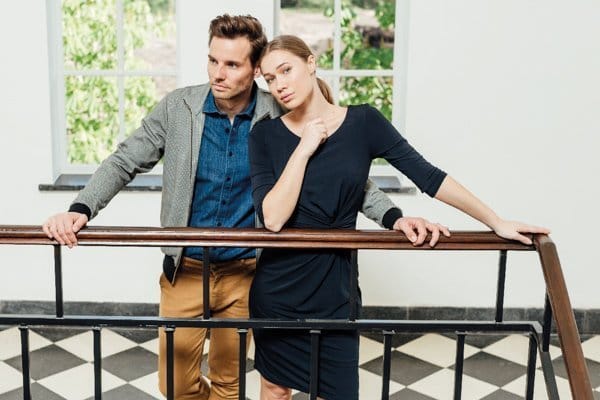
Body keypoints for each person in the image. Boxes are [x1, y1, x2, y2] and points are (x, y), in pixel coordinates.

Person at [41, 15, 443, 400]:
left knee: (229, 383)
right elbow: (124, 160)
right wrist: (82, 208)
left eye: (232, 65)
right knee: (175, 385)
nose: (218, 73)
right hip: (186, 269)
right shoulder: (179, 108)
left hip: (247, 273)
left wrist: (394, 217)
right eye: (213, 60)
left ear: (255, 70)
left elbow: (343, 176)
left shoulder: (280, 110)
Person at [248, 35, 550, 400]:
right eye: (269, 78)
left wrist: (495, 221)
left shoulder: (364, 122)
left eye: (286, 70)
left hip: (335, 289)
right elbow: (273, 218)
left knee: (340, 392)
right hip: (278, 289)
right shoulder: (264, 134)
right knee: (275, 388)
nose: (279, 84)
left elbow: (428, 176)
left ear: (310, 63)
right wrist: (304, 148)